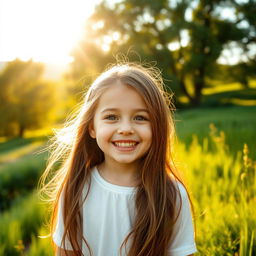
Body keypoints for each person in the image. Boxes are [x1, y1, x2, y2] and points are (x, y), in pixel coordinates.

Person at [40, 63, 197, 256]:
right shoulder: (77, 188)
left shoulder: (171, 194)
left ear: (158, 127)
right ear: (92, 128)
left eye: (140, 118)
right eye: (112, 117)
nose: (125, 128)